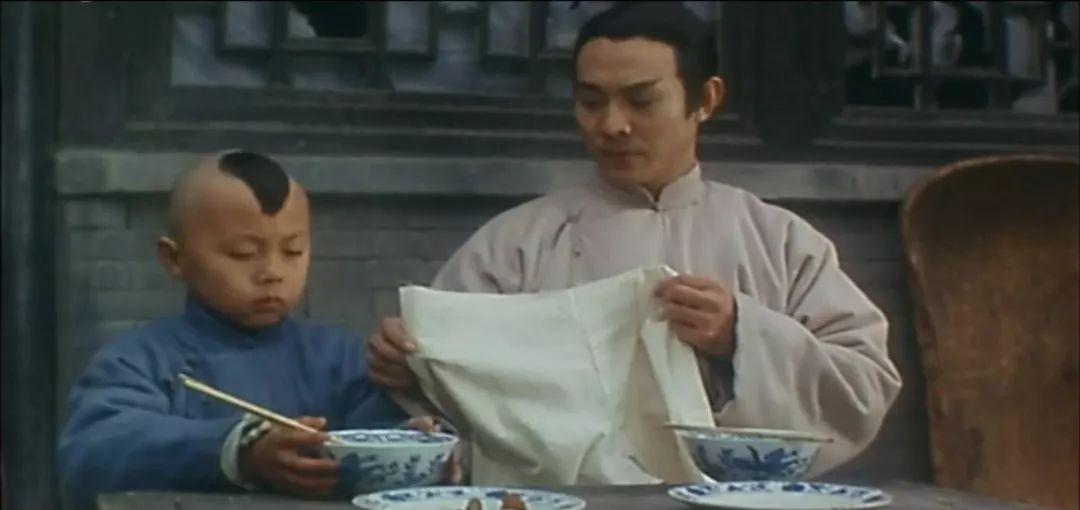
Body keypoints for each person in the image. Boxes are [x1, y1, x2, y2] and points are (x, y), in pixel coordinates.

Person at [367, 1, 903, 480]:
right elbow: (445, 412)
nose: (612, 125)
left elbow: (863, 384)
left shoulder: (779, 241)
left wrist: (743, 335)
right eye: (591, 101)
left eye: (641, 101)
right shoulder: (515, 244)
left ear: (706, 99)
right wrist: (410, 371)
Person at [58, 151, 450, 510]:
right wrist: (238, 452)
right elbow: (92, 453)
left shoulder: (339, 358)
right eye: (242, 253)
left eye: (292, 251)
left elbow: (379, 435)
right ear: (175, 259)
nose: (272, 272)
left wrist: (415, 445)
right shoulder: (139, 361)